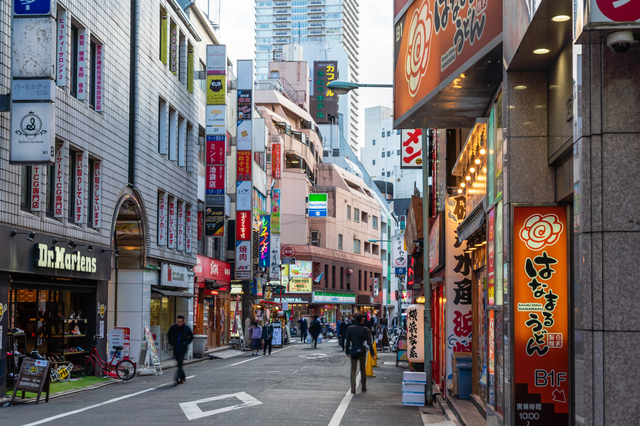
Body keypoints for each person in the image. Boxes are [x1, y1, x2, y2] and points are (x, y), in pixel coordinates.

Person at [345, 314, 374, 394]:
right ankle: (363, 386)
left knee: (353, 369)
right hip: (362, 351)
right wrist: (372, 353)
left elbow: (347, 341)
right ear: (362, 320)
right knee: (362, 369)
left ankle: (353, 387)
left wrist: (347, 351)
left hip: (353, 350)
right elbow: (369, 342)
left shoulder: (350, 328)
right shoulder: (366, 329)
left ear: (355, 319)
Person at [167, 314, 194, 386]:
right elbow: (169, 335)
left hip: (182, 349)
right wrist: (171, 342)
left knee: (180, 363)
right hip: (176, 348)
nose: (179, 323)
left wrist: (185, 343)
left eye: (180, 321)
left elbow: (191, 337)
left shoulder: (186, 328)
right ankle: (183, 377)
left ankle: (176, 378)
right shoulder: (173, 328)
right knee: (179, 364)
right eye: (178, 321)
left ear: (183, 321)